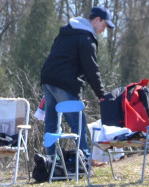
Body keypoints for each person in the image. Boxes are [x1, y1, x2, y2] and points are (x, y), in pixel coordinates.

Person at [40, 6, 113, 166]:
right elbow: (91, 69)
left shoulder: (68, 31)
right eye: (104, 25)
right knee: (78, 121)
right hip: (64, 83)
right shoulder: (86, 38)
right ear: (96, 20)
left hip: (48, 79)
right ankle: (85, 160)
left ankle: (51, 162)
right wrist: (101, 94)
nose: (104, 30)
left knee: (52, 124)